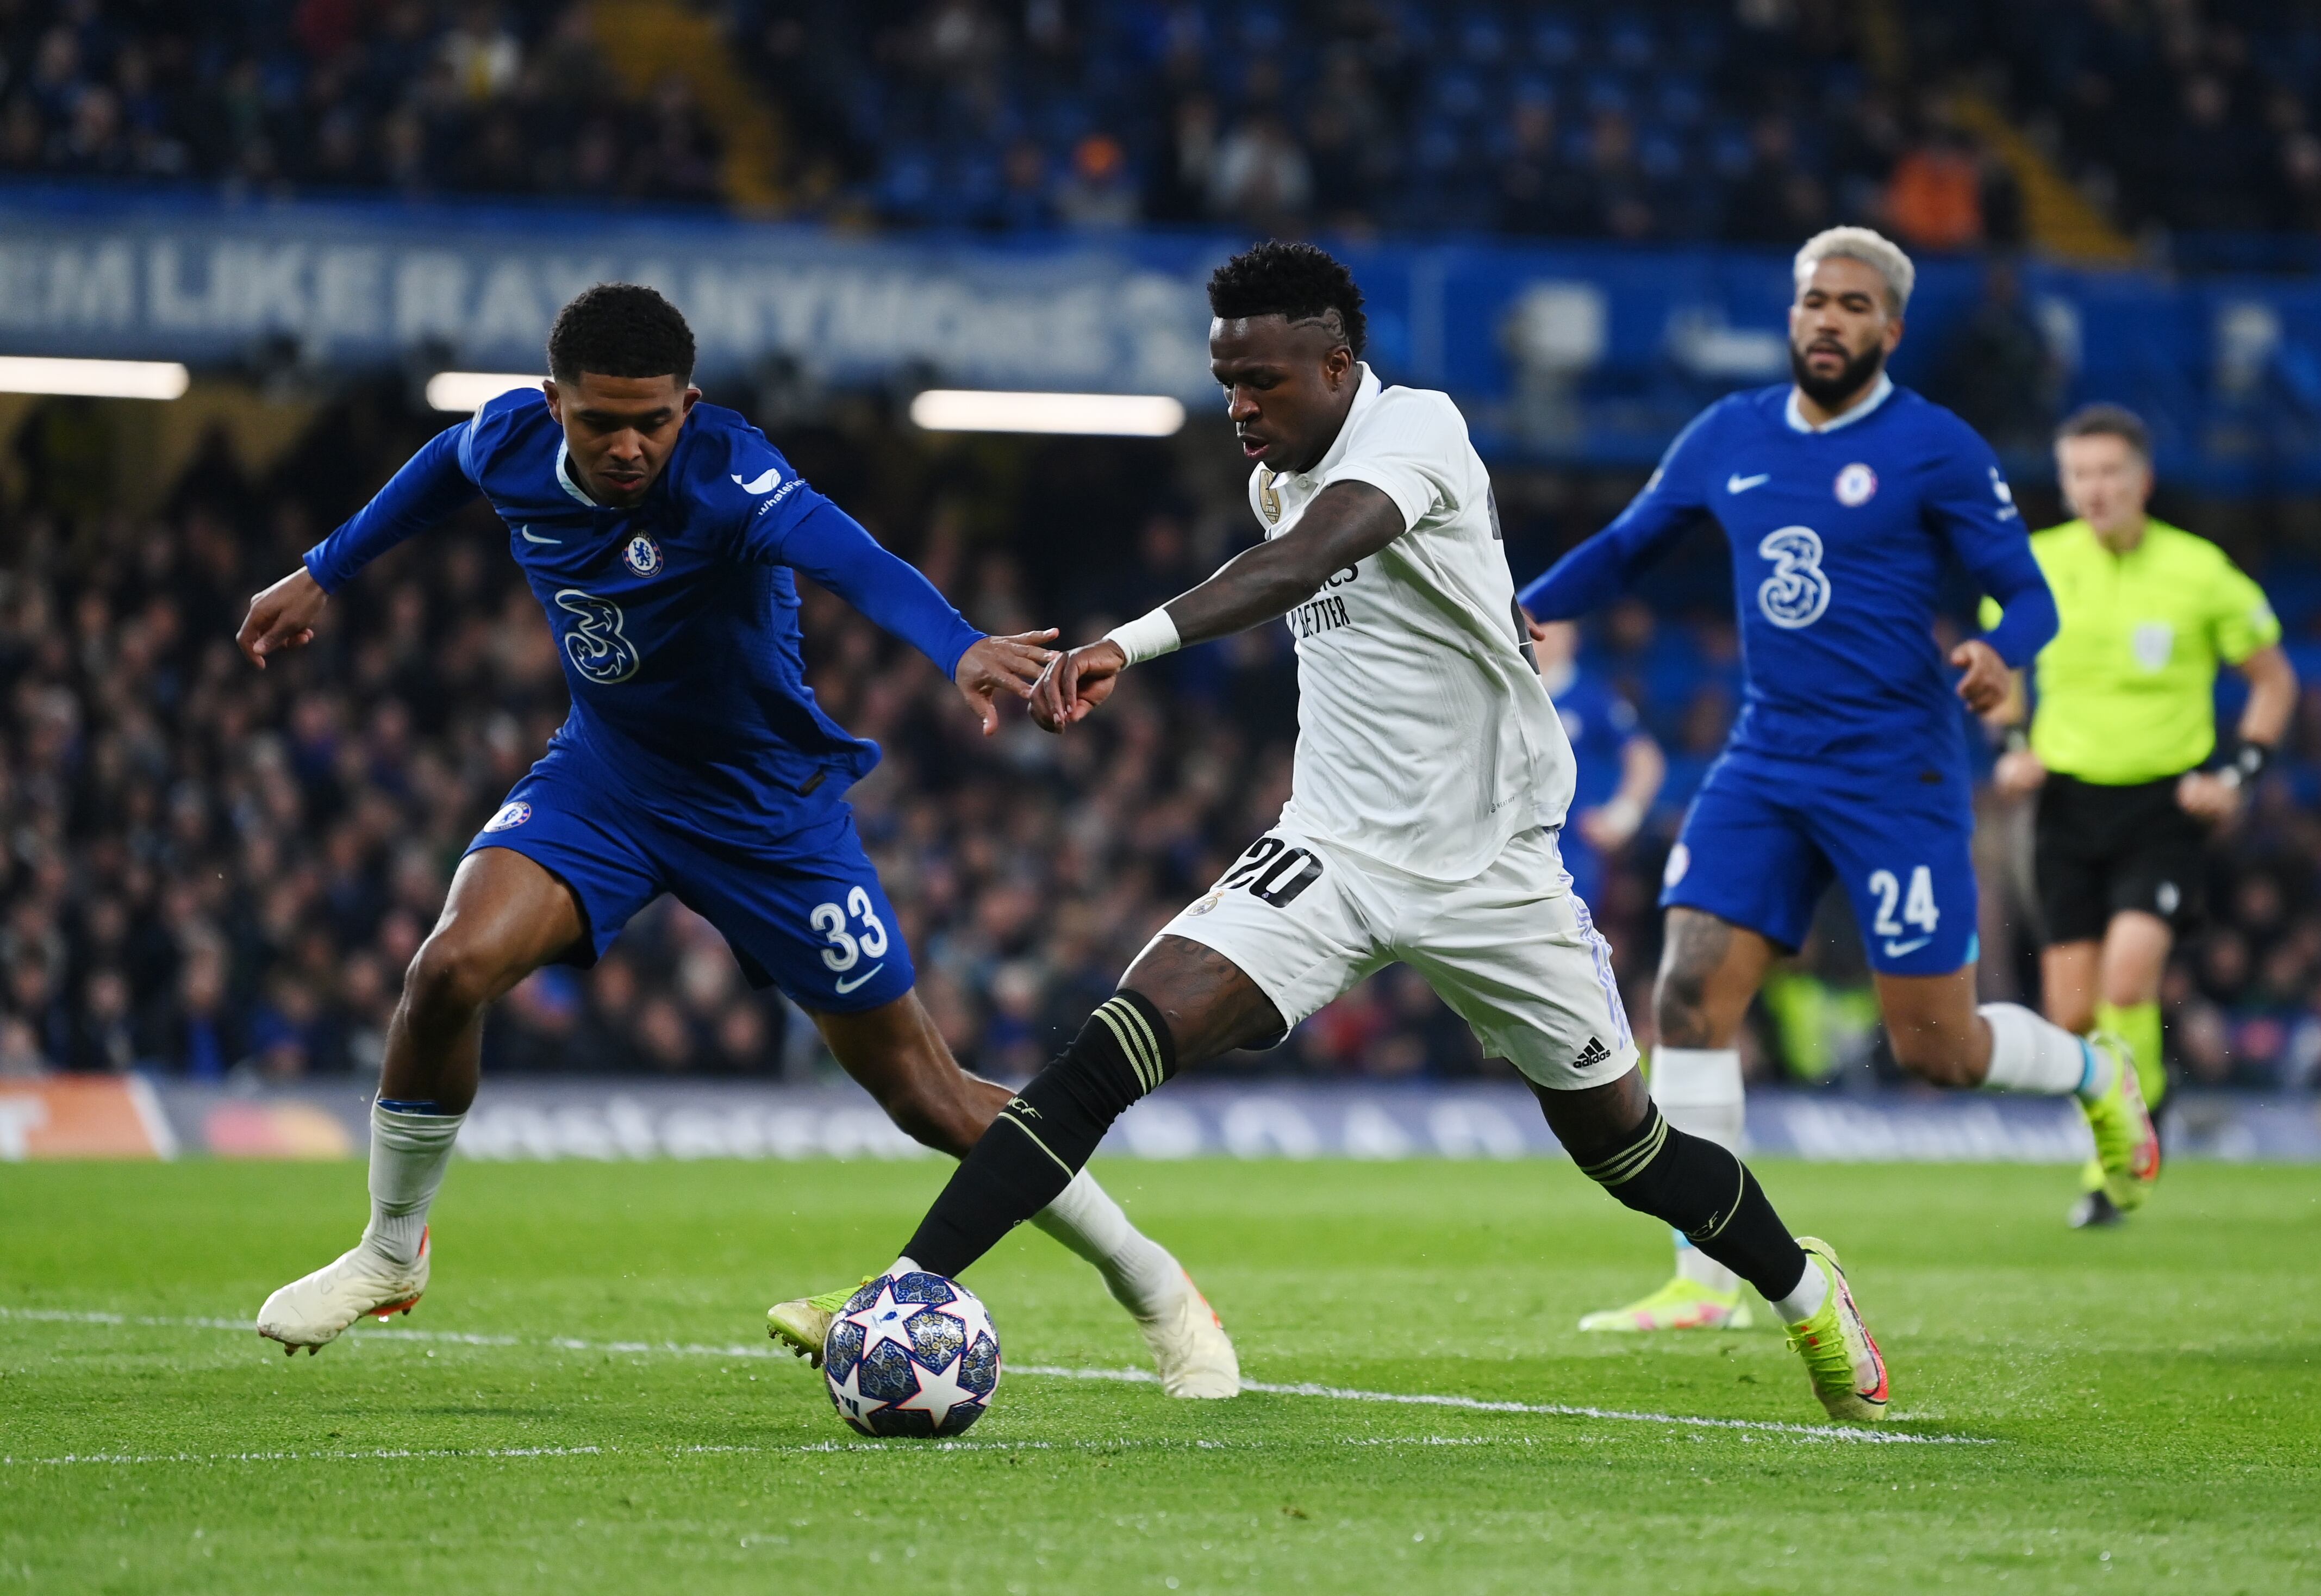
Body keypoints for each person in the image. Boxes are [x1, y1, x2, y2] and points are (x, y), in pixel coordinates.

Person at [777, 241, 1893, 1425]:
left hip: (1492, 868)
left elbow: (1304, 562)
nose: (1241, 409)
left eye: (1263, 382)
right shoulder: (1278, 475)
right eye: (1225, 384)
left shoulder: (1417, 431)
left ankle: (1805, 1284)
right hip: (1336, 851)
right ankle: (907, 1285)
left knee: (1627, 1153)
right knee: (1115, 1042)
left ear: (1337, 364)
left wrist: (1125, 643)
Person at [239, 284, 1239, 1399]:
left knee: (928, 1093)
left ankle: (1155, 1288)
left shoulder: (730, 472)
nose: (627, 446)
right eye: (599, 421)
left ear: (690, 405)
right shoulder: (506, 437)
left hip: (768, 812)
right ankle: (390, 1248)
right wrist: (323, 567)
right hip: (606, 780)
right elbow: (443, 465)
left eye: (652, 421)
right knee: (448, 969)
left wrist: (955, 645)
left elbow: (849, 555)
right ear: (550, 403)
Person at [1524, 227, 2160, 1337]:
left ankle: (2095, 1072)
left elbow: (2032, 595)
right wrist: (1523, 604)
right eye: (1816, 302)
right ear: (1792, 317)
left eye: (1856, 306)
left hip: (1897, 771)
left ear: (1892, 330)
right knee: (1686, 995)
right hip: (1767, 759)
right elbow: (1627, 547)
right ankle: (1706, 1279)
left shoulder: (1937, 448)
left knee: (1938, 1048)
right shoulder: (1728, 434)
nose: (1831, 320)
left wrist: (2001, 649)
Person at [1987, 403, 2295, 1227]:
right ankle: (2122, 1122)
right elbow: (2000, 667)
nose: (2094, 489)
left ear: (2141, 481)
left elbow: (2273, 680)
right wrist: (2012, 738)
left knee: (2128, 980)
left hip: (2162, 805)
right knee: (2072, 1014)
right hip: (2065, 804)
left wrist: (2236, 771)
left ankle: (2120, 1154)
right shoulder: (2033, 566)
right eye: (2079, 475)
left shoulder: (2200, 573)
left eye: (2108, 474)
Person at [1529, 616, 1664, 922]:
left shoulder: (1590, 696)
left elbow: (1645, 758)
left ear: (1571, 638)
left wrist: (1621, 817)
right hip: (1507, 843)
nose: (1538, 634)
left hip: (1569, 849)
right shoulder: (1505, 690)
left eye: (1550, 626)